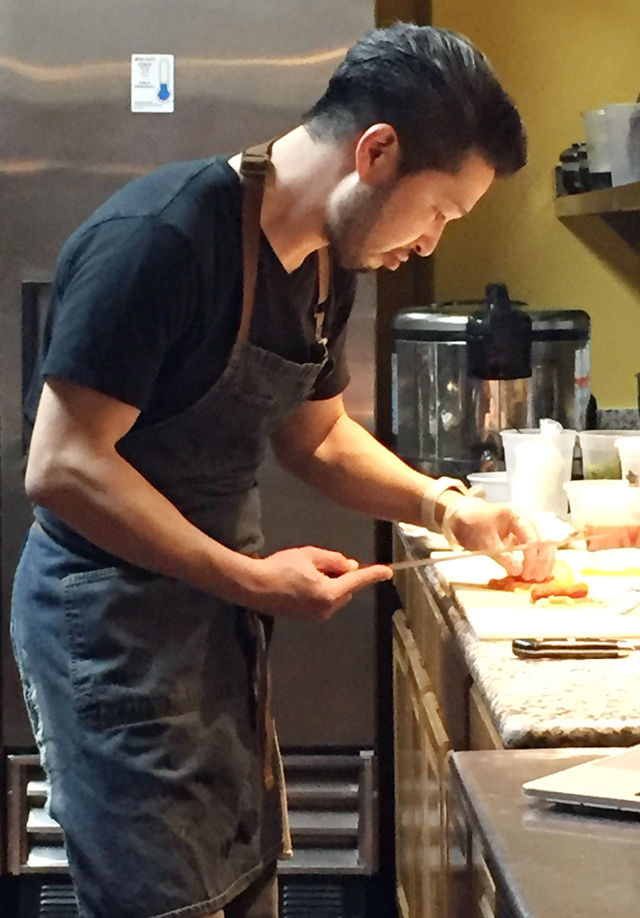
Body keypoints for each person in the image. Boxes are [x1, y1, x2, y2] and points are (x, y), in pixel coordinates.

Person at [11, 22, 554, 918]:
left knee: (243, 885)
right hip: (107, 628)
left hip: (217, 628)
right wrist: (248, 577)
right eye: (439, 213)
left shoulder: (326, 266)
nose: (429, 244)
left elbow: (318, 438)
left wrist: (449, 512)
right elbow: (64, 466)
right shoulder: (165, 240)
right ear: (375, 152)